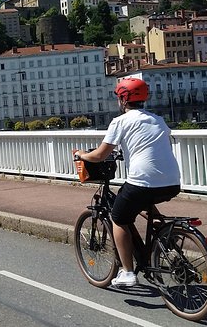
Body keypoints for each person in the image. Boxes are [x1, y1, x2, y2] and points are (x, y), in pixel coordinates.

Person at [75, 77, 181, 287]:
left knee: (119, 218)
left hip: (142, 181)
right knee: (143, 200)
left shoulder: (120, 122)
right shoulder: (157, 119)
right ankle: (165, 237)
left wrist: (82, 154)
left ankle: (128, 272)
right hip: (172, 181)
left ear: (123, 99)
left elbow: (100, 155)